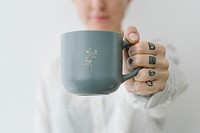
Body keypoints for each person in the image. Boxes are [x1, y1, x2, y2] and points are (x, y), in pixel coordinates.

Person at [35, 0, 188, 133]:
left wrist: (151, 84)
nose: (97, 4)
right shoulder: (53, 72)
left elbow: (172, 82)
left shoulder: (151, 54)